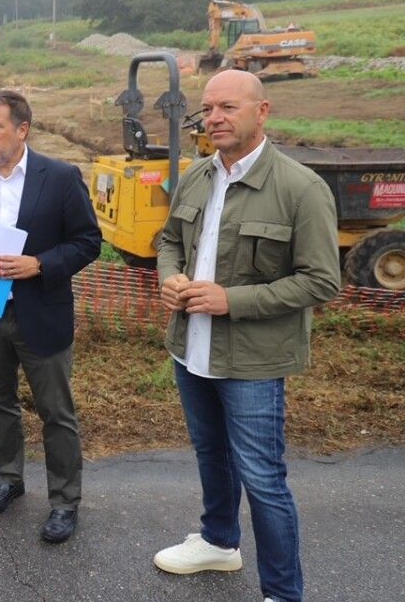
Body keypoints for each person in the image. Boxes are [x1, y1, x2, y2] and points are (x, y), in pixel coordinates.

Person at [154, 70, 340, 602]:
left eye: (228, 108)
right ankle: (218, 541)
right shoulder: (197, 175)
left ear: (262, 112)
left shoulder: (300, 188)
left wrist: (231, 300)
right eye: (208, 108)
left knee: (262, 478)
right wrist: (171, 276)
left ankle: (283, 592)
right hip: (191, 349)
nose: (214, 118)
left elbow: (322, 280)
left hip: (253, 362)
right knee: (211, 453)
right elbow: (169, 241)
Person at [0, 90, 100, 544]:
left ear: (22, 129)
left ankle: (65, 502)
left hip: (40, 311)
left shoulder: (61, 177)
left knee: (56, 412)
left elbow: (88, 241)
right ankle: (9, 478)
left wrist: (40, 264)